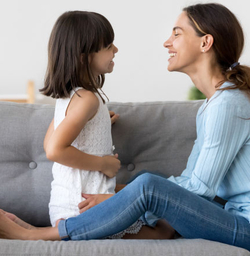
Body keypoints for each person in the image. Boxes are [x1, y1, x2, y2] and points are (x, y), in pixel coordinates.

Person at [0, 2, 250, 254]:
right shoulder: (212, 105)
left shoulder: (228, 104)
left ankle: (40, 234)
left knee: (147, 185)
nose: (167, 42)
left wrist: (120, 199)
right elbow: (191, 181)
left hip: (249, 229)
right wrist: (120, 196)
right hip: (235, 218)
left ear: (205, 43)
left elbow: (200, 189)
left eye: (177, 34)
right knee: (144, 185)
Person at [34, 10, 175, 239]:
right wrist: (103, 164)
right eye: (109, 45)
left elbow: (50, 140)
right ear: (84, 56)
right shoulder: (86, 99)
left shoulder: (72, 98)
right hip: (84, 210)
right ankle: (34, 232)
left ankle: (41, 230)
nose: (116, 50)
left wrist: (97, 123)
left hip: (74, 206)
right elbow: (54, 149)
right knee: (165, 232)